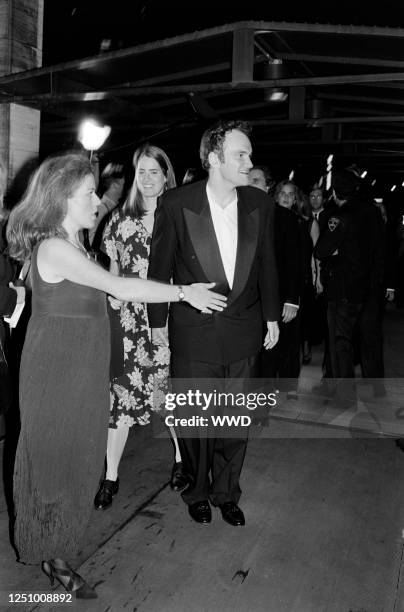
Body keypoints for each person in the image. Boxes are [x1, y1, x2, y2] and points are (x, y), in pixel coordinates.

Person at [6, 152, 227, 598]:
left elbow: (104, 299)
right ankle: (52, 552)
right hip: (57, 367)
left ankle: (58, 542)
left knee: (80, 455)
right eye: (89, 193)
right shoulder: (54, 247)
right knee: (55, 459)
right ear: (64, 198)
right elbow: (120, 287)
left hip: (85, 362)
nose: (99, 201)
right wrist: (182, 292)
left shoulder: (79, 247)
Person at [147, 120, 280, 527]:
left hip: (244, 329)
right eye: (241, 155)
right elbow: (160, 265)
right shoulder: (175, 203)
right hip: (194, 330)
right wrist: (157, 323)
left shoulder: (259, 204)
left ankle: (226, 493)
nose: (249, 162)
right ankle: (197, 491)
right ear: (213, 159)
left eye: (249, 154)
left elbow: (267, 264)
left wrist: (272, 315)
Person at [95, 144, 187, 511]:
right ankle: (111, 475)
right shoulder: (120, 218)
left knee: (170, 396)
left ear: (166, 175)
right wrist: (111, 301)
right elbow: (114, 273)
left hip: (168, 319)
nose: (147, 179)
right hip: (129, 321)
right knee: (122, 399)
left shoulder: (180, 216)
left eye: (154, 172)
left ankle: (184, 460)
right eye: (142, 172)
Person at [314, 169, 383, 406]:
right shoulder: (371, 212)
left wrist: (336, 250)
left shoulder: (340, 216)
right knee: (367, 339)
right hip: (365, 288)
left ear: (335, 193)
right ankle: (376, 388)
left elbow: (321, 250)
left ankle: (344, 396)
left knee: (340, 342)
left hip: (342, 288)